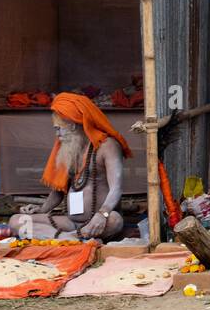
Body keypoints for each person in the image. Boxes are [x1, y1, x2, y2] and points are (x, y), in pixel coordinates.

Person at [9, 92, 130, 240]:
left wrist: (102, 214)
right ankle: (70, 238)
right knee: (16, 221)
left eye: (59, 128)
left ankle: (60, 238)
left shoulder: (107, 145)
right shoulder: (68, 148)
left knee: (115, 220)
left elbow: (116, 188)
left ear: (73, 125)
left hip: (98, 221)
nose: (57, 134)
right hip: (70, 223)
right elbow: (58, 191)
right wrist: (42, 209)